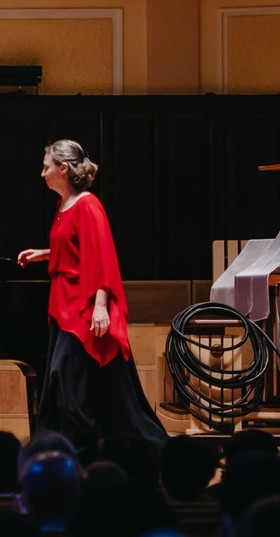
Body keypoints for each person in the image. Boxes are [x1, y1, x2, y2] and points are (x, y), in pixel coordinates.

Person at [15, 140, 168, 448]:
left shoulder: (87, 204)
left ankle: (88, 447)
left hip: (82, 306)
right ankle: (77, 449)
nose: (42, 174)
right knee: (74, 385)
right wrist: (45, 254)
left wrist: (100, 307)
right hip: (63, 304)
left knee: (64, 380)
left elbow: (101, 256)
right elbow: (76, 247)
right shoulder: (63, 205)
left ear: (63, 168)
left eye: (46, 167)